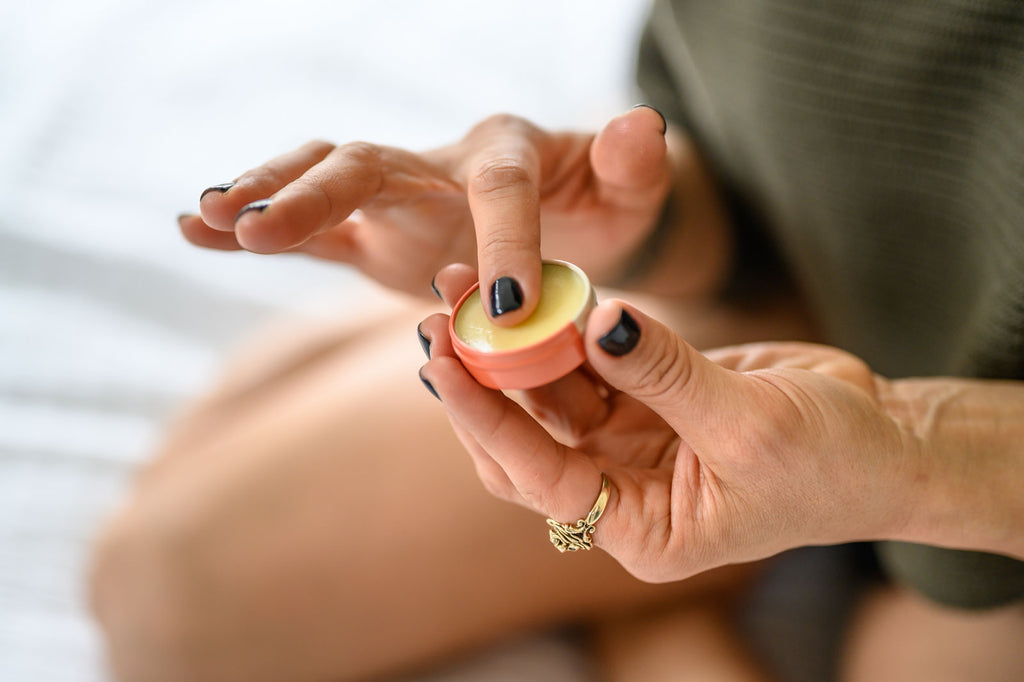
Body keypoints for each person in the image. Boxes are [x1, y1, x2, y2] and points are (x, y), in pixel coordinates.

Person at [89, 1, 1024, 681]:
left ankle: (658, 605)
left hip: (983, 472)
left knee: (163, 590)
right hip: (804, 282)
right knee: (170, 558)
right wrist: (655, 230)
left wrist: (909, 450)